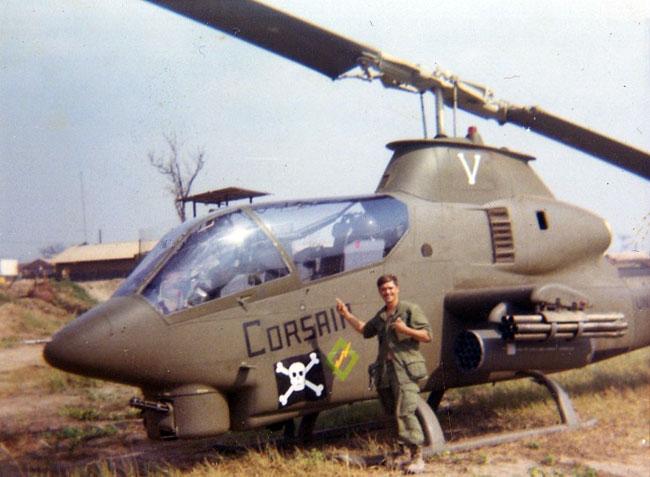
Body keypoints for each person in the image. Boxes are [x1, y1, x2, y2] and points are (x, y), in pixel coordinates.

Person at [336, 274, 431, 474]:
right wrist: (346, 315)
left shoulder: (409, 310)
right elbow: (364, 329)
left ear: (397, 289)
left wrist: (406, 329)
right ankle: (403, 453)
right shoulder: (381, 316)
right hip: (386, 372)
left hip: (404, 370)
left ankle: (417, 457)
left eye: (390, 288)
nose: (387, 292)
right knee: (390, 413)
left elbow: (426, 335)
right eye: (383, 290)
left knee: (405, 412)